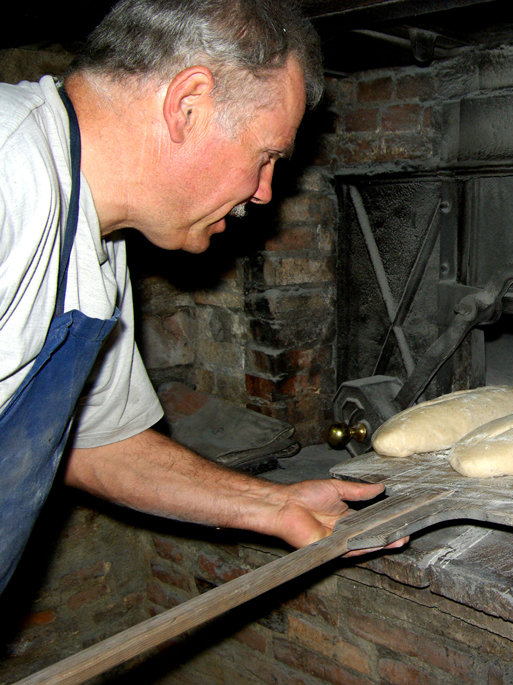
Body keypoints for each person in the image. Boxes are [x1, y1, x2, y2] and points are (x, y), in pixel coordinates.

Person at [0, 0, 401, 596]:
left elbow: (102, 446)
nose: (264, 192)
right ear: (188, 105)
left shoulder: (97, 241)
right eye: (265, 156)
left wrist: (273, 505)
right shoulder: (10, 176)